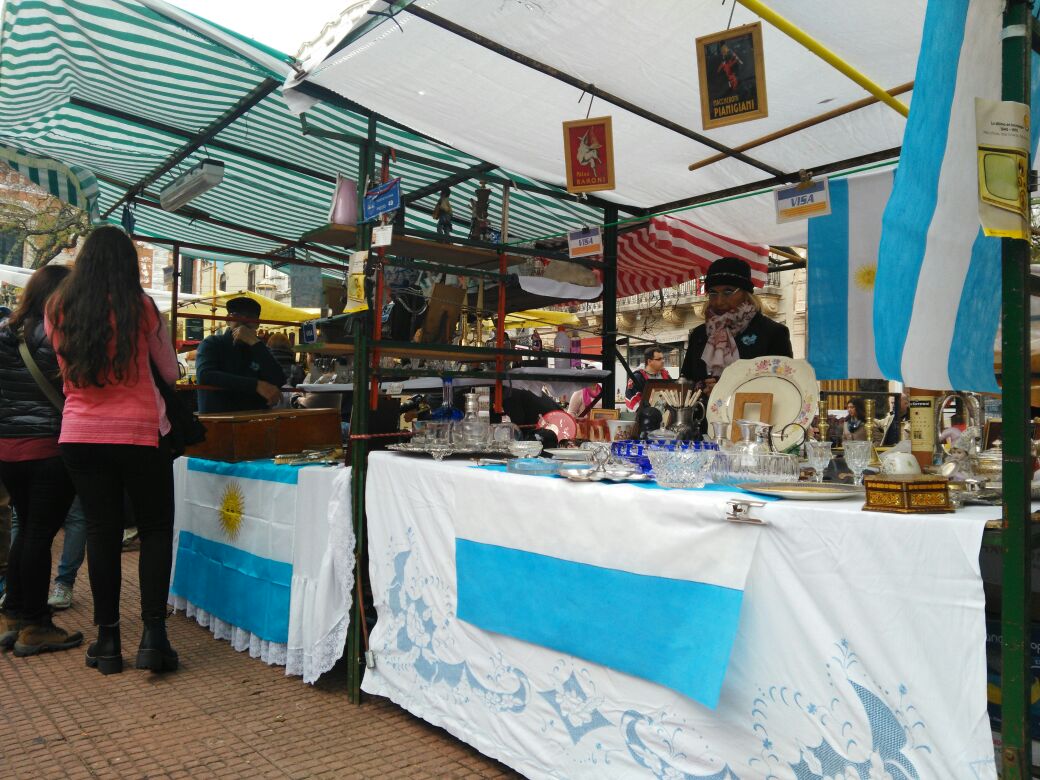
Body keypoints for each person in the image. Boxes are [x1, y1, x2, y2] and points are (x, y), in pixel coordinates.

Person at [47, 225, 180, 675]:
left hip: (80, 433)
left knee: (101, 531)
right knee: (155, 529)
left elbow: (64, 368)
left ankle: (107, 642)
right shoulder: (142, 307)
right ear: (128, 264)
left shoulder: (58, 306)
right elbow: (170, 372)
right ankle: (153, 638)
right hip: (140, 432)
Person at [0, 264, 83, 656]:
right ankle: (36, 625)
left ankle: (13, 616)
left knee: (27, 527)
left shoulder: (5, 332)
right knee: (39, 534)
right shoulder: (61, 334)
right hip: (48, 447)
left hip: (7, 450)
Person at [679, 256, 793, 393]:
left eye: (728, 292)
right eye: (713, 293)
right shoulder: (699, 335)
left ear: (745, 293)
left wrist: (730, 391)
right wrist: (702, 388)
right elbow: (686, 383)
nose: (719, 301)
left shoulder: (773, 333)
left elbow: (783, 386)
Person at [195, 296, 284, 413]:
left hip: (255, 418)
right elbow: (205, 375)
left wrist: (255, 343)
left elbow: (279, 379)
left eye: (250, 317)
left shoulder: (260, 349)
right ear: (228, 320)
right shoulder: (212, 343)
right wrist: (255, 385)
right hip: (219, 419)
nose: (244, 321)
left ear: (257, 324)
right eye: (237, 315)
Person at [625, 346, 671, 410]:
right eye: (659, 359)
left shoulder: (666, 375)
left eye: (663, 358)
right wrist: (646, 412)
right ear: (649, 361)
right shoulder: (637, 377)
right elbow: (631, 402)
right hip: (646, 414)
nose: (663, 361)